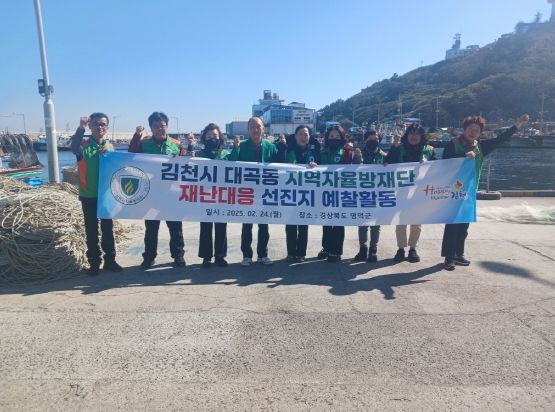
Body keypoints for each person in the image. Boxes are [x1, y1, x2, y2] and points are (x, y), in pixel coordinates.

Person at [441, 114, 529, 270]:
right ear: (464, 129)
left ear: (480, 133)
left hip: (470, 192)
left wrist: (517, 125)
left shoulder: (480, 146)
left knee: (464, 226)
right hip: (453, 191)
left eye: (477, 130)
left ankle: (458, 254)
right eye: (470, 129)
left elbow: (500, 139)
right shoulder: (453, 144)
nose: (473, 132)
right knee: (453, 225)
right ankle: (449, 258)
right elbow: (444, 162)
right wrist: (463, 156)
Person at [128, 112, 186, 269]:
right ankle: (149, 257)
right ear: (151, 128)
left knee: (175, 227)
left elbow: (185, 165)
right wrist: (136, 136)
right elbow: (131, 155)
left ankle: (178, 255)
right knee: (151, 228)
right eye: (156, 126)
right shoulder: (144, 143)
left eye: (162, 126)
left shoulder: (176, 144)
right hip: (151, 193)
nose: (160, 129)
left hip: (172, 193)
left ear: (167, 126)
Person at [70, 113, 123, 275]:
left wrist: (108, 155)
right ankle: (94, 262)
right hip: (89, 194)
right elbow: (74, 148)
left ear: (107, 127)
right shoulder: (83, 145)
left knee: (108, 229)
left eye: (103, 124)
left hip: (106, 194)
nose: (100, 127)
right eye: (96, 124)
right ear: (90, 126)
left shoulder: (110, 147)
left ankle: (110, 260)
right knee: (91, 230)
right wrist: (81, 128)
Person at [228, 117, 281, 266]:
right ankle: (247, 255)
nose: (255, 129)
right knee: (247, 226)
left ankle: (263, 254)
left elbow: (281, 164)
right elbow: (231, 164)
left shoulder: (270, 146)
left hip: (265, 192)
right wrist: (235, 149)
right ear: (248, 129)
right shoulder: (242, 146)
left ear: (263, 128)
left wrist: (283, 147)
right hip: (247, 192)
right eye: (252, 127)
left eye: (258, 126)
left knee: (264, 226)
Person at [385, 124, 437, 263]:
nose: (414, 136)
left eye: (417, 133)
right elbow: (387, 163)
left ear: (422, 136)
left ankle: (413, 248)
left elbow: (438, 168)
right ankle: (401, 249)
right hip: (401, 190)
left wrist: (428, 163)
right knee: (401, 221)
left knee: (416, 222)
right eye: (411, 133)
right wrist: (393, 147)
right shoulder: (399, 148)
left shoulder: (429, 150)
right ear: (406, 135)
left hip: (420, 191)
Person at [276, 125, 320, 262]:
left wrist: (316, 165)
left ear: (309, 137)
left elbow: (323, 168)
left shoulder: (314, 151)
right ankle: (291, 253)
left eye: (306, 134)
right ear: (295, 136)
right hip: (290, 193)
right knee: (290, 224)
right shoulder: (288, 149)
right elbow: (279, 164)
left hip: (307, 194)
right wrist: (282, 146)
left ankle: (301, 253)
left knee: (303, 225)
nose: (303, 137)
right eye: (300, 134)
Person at [196, 123, 230, 268]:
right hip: (205, 195)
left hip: (222, 195)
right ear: (204, 138)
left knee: (221, 226)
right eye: (209, 136)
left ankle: (220, 256)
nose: (212, 138)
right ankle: (206, 257)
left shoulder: (226, 154)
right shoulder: (199, 155)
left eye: (215, 136)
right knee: (205, 227)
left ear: (220, 138)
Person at [318, 125, 352, 263]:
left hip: (341, 192)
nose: (334, 138)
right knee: (326, 222)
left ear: (342, 138)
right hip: (325, 191)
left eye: (337, 136)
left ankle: (336, 251)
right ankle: (326, 247)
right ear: (327, 138)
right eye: (331, 136)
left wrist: (354, 154)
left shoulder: (347, 152)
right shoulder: (322, 152)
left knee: (338, 222)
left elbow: (357, 167)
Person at [353, 131, 388, 262]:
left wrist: (388, 165)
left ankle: (373, 249)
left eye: (376, 139)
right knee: (362, 223)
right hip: (362, 194)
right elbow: (353, 170)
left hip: (378, 194)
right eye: (370, 139)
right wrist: (357, 158)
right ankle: (363, 248)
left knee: (376, 224)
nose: (373, 141)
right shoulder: (359, 154)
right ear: (365, 140)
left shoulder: (384, 156)